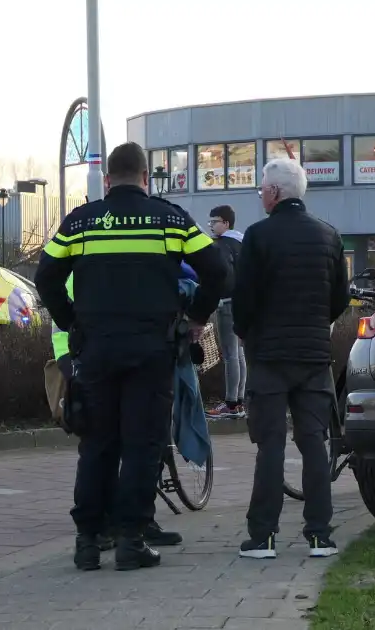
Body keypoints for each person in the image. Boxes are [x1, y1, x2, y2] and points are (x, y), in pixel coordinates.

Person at [35, 141, 227, 572]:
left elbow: (45, 276)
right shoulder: (170, 220)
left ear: (107, 181)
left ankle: (87, 541)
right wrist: (195, 317)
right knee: (143, 444)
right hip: (152, 349)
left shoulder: (80, 222)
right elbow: (218, 270)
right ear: (145, 178)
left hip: (96, 351)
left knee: (97, 443)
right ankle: (131, 541)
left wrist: (72, 323)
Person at [233, 158, 349, 560]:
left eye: (262, 189)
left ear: (275, 192)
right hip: (314, 356)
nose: (261, 195)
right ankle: (320, 536)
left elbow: (243, 299)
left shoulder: (258, 236)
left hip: (269, 355)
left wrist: (248, 333)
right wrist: (318, 326)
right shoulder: (329, 236)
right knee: (314, 442)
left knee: (271, 445)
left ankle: (263, 537)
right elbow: (340, 299)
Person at [48, 274, 186, 554]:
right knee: (134, 444)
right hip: (96, 359)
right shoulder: (88, 265)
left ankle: (100, 530)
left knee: (101, 447)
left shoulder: (85, 259)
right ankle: (126, 526)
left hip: (89, 358)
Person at [205, 205, 247, 419]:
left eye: (214, 221)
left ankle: (231, 404)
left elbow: (222, 275)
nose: (211, 226)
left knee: (230, 354)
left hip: (227, 304)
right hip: (242, 303)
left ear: (226, 223)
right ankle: (239, 400)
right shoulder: (242, 242)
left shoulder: (222, 245)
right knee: (238, 354)